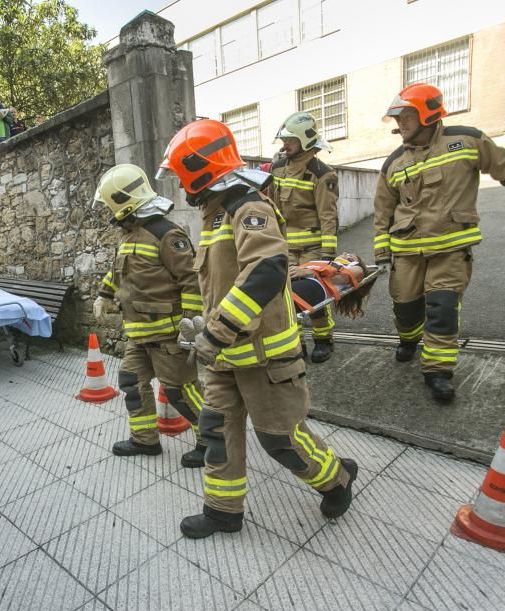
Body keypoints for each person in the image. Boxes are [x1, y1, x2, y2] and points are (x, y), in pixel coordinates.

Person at [157, 118, 357, 539]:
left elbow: (266, 271)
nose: (179, 186)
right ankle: (222, 511)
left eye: (180, 175)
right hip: (226, 358)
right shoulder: (215, 215)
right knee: (216, 431)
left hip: (267, 357)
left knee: (280, 440)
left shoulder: (248, 208)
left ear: (199, 169)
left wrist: (218, 330)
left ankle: (336, 478)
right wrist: (200, 328)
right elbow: (215, 283)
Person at [374, 83, 505, 403]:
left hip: (451, 249)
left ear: (427, 113)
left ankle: (438, 372)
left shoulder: (466, 141)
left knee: (442, 309)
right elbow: (383, 212)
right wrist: (382, 253)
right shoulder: (393, 163)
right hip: (407, 253)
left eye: (406, 116)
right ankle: (407, 338)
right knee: (405, 307)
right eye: (397, 118)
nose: (400, 124)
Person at [93, 164, 207, 468]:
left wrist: (191, 325)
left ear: (123, 202)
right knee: (131, 381)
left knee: (180, 391)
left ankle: (213, 439)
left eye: (109, 204)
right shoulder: (130, 235)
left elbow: (191, 280)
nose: (108, 210)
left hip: (168, 335)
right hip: (139, 333)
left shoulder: (166, 233)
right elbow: (119, 272)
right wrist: (104, 295)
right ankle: (145, 440)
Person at [270, 111, 340, 363]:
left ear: (305, 140)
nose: (284, 144)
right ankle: (296, 342)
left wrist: (326, 258)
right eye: (284, 139)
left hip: (312, 248)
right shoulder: (277, 168)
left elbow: (329, 217)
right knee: (286, 298)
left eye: (290, 140)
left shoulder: (322, 173)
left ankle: (323, 340)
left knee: (315, 295)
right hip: (284, 247)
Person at [289, 253, 376, 320]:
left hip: (314, 287)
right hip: (300, 282)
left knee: (280, 301)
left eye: (349, 255)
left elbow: (340, 278)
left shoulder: (356, 268)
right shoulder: (328, 264)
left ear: (353, 261)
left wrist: (310, 272)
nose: (344, 253)